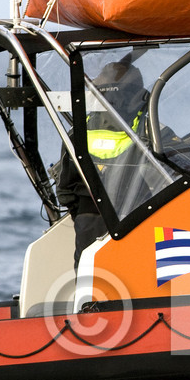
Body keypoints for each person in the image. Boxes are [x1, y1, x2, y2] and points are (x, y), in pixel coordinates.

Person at [53, 57, 148, 263]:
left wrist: (81, 214)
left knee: (91, 283)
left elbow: (64, 189)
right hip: (139, 219)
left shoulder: (77, 131)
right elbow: (181, 162)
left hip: (88, 219)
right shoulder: (147, 129)